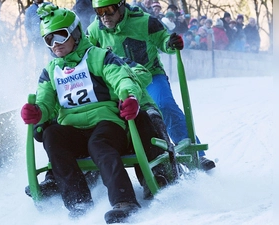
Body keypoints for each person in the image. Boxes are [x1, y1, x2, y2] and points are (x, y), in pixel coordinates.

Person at [21, 4, 169, 223]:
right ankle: (78, 201)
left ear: (75, 33)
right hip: (73, 128)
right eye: (49, 40)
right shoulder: (51, 71)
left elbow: (121, 78)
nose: (55, 45)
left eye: (60, 36)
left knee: (99, 145)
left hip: (106, 123)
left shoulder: (97, 57)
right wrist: (37, 113)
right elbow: (45, 102)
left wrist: (129, 97)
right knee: (52, 135)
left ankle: (124, 200)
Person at [87, 0, 215, 170]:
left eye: (108, 10)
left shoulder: (144, 21)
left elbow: (163, 39)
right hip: (116, 83)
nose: (104, 17)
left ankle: (194, 155)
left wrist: (170, 43)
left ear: (121, 6)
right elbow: (86, 54)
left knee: (164, 105)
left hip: (151, 76)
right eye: (99, 11)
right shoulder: (94, 30)